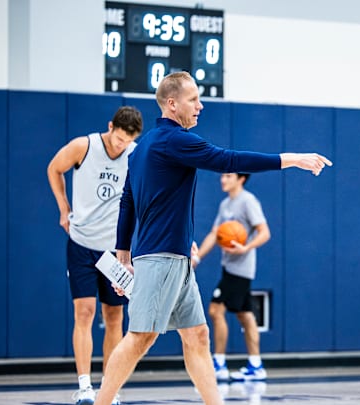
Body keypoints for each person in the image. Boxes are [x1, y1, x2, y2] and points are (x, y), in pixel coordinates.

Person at [93, 71, 332, 405]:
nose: (200, 106)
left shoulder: (142, 147)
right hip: (162, 259)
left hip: (173, 256)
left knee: (198, 335)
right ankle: (101, 401)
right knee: (140, 338)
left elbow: (128, 201)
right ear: (172, 104)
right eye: (194, 100)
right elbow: (227, 160)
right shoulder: (174, 140)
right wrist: (291, 159)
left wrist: (122, 255)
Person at [47, 106, 143, 405]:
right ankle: (85, 386)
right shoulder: (83, 146)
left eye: (126, 142)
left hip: (114, 250)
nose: (120, 146)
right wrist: (63, 207)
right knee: (85, 312)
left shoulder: (136, 155)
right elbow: (54, 168)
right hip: (81, 244)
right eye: (117, 140)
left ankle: (108, 389)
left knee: (114, 317)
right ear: (110, 126)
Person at [192, 173, 270, 382]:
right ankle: (256, 365)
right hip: (229, 267)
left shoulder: (248, 201)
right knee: (245, 315)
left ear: (241, 178)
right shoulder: (226, 204)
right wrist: (197, 258)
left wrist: (246, 247)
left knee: (215, 309)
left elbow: (265, 232)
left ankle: (218, 363)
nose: (222, 179)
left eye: (228, 176)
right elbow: (214, 234)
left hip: (241, 269)